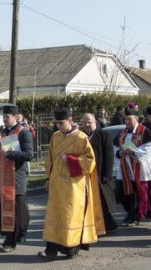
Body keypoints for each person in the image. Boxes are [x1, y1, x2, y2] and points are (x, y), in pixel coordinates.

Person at [40, 108, 105, 260]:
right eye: (56, 123)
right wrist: (47, 179)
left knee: (70, 217)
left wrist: (71, 160)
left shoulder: (81, 138)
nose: (58, 126)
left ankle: (70, 250)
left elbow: (90, 161)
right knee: (54, 217)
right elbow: (49, 159)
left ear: (70, 121)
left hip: (74, 187)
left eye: (61, 122)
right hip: (56, 185)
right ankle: (51, 250)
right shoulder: (55, 136)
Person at [0, 105, 34, 252]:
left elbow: (29, 155)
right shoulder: (1, 133)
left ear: (15, 117)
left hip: (15, 177)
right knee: (0, 210)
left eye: (7, 116)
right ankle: (9, 236)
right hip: (0, 178)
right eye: (3, 116)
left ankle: (12, 240)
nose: (5, 119)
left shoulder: (23, 132)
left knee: (17, 211)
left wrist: (9, 153)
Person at [113, 105, 151, 226]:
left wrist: (133, 152)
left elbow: (149, 148)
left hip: (139, 168)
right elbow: (115, 147)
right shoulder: (122, 133)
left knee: (138, 193)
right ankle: (130, 213)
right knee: (125, 193)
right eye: (125, 119)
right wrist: (119, 152)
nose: (127, 121)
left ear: (136, 119)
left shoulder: (143, 131)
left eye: (129, 119)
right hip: (125, 168)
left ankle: (136, 216)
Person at [80, 112, 118, 232]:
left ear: (95, 122)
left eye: (89, 122)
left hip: (100, 173)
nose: (87, 125)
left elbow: (109, 154)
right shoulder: (80, 136)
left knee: (103, 201)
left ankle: (108, 225)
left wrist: (107, 174)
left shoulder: (103, 134)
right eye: (84, 122)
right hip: (86, 174)